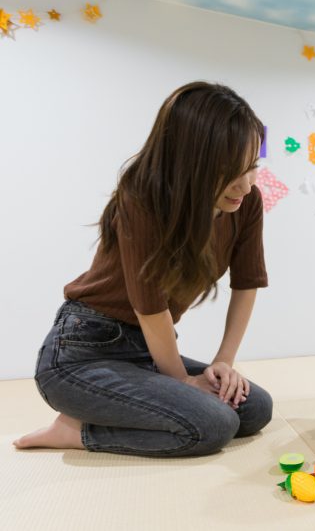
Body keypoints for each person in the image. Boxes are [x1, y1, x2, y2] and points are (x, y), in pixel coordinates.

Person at [14, 82, 273, 457]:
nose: (246, 185)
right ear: (192, 165)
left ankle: (98, 417)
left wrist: (223, 362)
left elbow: (247, 283)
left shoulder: (247, 203)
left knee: (254, 408)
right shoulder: (143, 198)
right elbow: (149, 309)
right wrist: (182, 380)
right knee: (214, 425)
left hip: (145, 351)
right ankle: (78, 432)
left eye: (253, 167)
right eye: (231, 171)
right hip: (82, 352)